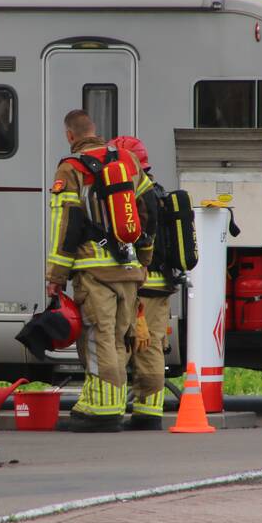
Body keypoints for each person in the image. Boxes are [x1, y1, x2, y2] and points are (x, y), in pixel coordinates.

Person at [46, 110, 155, 432]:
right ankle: (100, 400)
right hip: (130, 267)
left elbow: (65, 224)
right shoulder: (128, 161)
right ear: (97, 131)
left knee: (98, 337)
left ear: (70, 135)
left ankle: (104, 410)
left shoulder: (71, 168)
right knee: (120, 337)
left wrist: (56, 276)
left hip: (94, 269)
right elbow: (148, 210)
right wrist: (145, 258)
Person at [111, 136, 170, 431]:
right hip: (160, 284)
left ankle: (115, 409)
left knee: (123, 343)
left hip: (138, 281)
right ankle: (149, 412)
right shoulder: (159, 192)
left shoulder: (131, 194)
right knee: (153, 346)